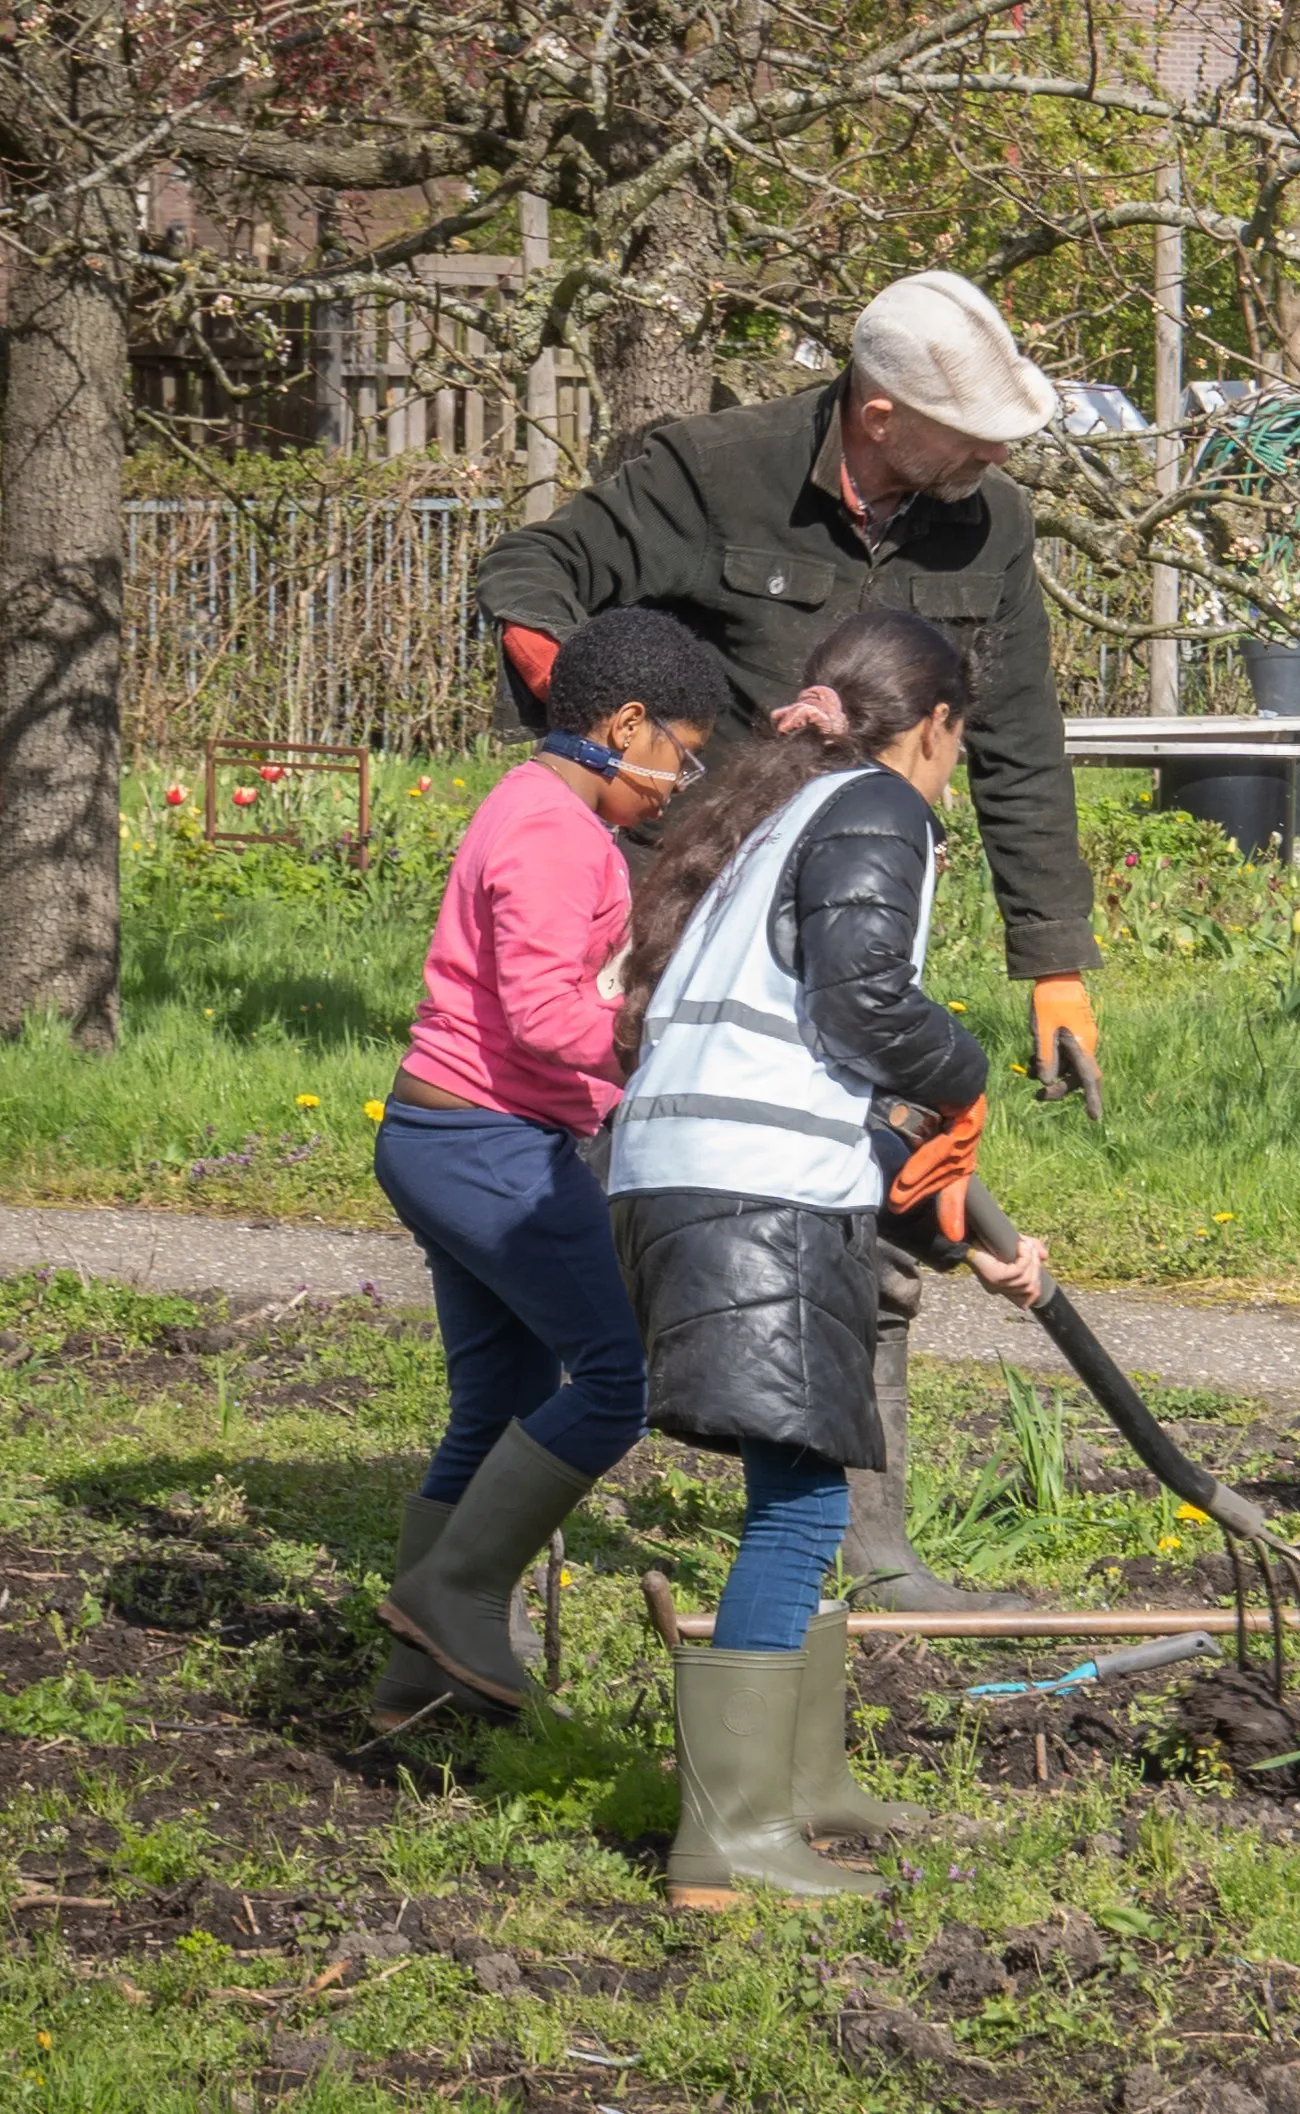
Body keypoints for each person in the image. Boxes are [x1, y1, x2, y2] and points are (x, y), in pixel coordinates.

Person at [474, 269, 1098, 1612]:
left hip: (857, 925)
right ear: (877, 412)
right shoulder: (711, 473)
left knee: (858, 1216)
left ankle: (863, 1548)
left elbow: (1021, 741)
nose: (990, 459)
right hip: (693, 920)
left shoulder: (985, 525)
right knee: (607, 1230)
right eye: (965, 432)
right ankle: (490, 1555)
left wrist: (1054, 955)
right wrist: (595, 753)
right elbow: (534, 575)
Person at [605, 609, 1051, 1909]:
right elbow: (865, 1001)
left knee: (794, 1494)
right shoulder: (879, 811)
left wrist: (983, 1238)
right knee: (802, 1505)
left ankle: (802, 1789)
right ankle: (729, 1837)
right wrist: (967, 1068)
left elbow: (833, 1086)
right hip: (750, 1190)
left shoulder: (782, 813)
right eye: (960, 744)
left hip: (697, 1177)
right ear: (937, 727)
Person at [369, 609, 721, 1727]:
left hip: (447, 1136)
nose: (682, 779)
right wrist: (665, 1038)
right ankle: (457, 1590)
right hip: (488, 1141)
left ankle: (417, 1676)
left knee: (498, 1403)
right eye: (681, 751)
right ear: (625, 725)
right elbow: (540, 1018)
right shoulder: (557, 833)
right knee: (617, 1381)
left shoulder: (531, 807)